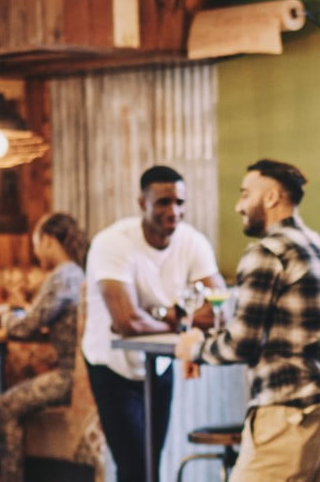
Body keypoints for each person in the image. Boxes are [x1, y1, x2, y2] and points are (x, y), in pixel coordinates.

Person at [175, 159, 320, 481]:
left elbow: (242, 343)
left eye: (245, 194)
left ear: (271, 198)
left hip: (286, 415)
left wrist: (195, 348)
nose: (239, 206)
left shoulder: (267, 252)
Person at [83, 165, 224, 482]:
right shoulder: (113, 243)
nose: (173, 211)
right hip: (111, 364)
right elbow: (126, 321)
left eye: (179, 202)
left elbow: (216, 310)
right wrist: (182, 317)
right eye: (163, 202)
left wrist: (162, 315)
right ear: (142, 203)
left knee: (151, 463)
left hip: (158, 362)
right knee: (134, 466)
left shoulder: (192, 242)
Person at [0, 213, 106, 481]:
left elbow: (25, 326)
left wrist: (6, 316)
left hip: (71, 378)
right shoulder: (79, 272)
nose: (36, 251)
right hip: (89, 375)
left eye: (36, 243)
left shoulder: (62, 276)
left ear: (47, 240)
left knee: (3, 407)